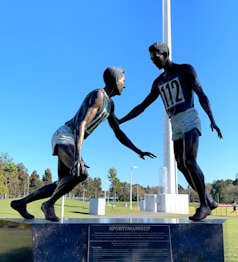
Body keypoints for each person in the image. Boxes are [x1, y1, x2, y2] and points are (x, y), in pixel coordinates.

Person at [11, 67, 156, 222]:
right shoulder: (98, 95)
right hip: (65, 136)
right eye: (123, 81)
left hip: (72, 140)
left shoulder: (110, 104)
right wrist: (77, 157)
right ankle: (48, 205)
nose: (125, 86)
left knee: (61, 184)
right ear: (115, 80)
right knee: (81, 173)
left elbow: (117, 131)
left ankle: (20, 203)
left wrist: (138, 151)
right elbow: (81, 123)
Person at [118, 42, 223, 221]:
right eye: (151, 59)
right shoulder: (159, 82)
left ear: (164, 53)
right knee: (181, 164)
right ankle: (208, 199)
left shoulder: (186, 70)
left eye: (155, 57)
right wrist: (121, 120)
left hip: (189, 116)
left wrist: (212, 119)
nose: (153, 62)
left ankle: (204, 206)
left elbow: (201, 94)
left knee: (190, 161)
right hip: (174, 123)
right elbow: (142, 106)